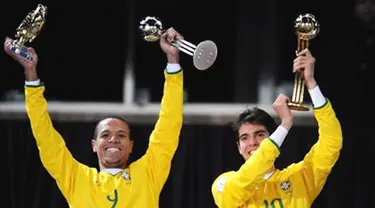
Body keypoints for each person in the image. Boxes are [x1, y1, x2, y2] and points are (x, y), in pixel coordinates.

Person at [4, 28, 184, 208]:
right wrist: (31, 75)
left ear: (130, 146)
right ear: (94, 145)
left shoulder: (147, 174)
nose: (113, 139)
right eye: (105, 135)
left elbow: (169, 126)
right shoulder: (78, 179)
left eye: (121, 135)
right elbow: (46, 138)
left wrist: (173, 61)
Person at [211, 49, 343, 208]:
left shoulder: (299, 178)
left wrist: (311, 84)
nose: (253, 142)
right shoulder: (224, 184)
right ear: (239, 148)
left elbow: (332, 143)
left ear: (273, 138)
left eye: (259, 134)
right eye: (244, 138)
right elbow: (249, 174)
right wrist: (285, 124)